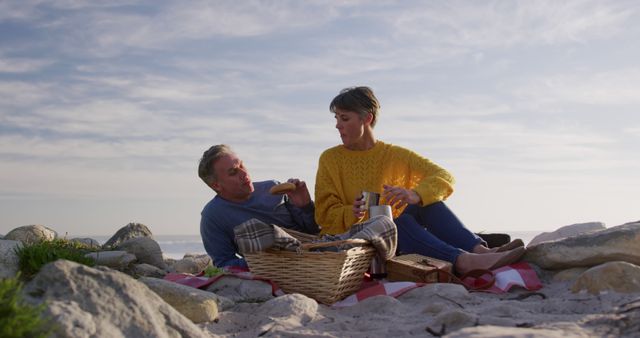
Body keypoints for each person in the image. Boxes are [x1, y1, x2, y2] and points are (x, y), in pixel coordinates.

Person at [314, 86, 524, 275]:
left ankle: (481, 251)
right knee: (399, 222)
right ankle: (463, 261)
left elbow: (443, 176)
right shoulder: (330, 159)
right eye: (336, 119)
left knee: (429, 202)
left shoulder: (393, 154)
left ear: (366, 119)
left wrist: (416, 194)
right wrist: (352, 211)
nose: (338, 126)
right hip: (353, 240)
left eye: (344, 118)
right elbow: (323, 215)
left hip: (395, 239)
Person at [198, 144, 320, 268]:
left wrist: (305, 206)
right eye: (233, 172)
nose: (244, 173)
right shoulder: (213, 216)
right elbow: (224, 264)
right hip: (280, 273)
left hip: (320, 259)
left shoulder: (272, 187)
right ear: (217, 186)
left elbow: (313, 231)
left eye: (241, 165)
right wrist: (268, 261)